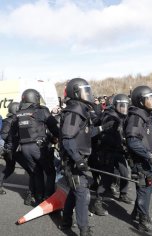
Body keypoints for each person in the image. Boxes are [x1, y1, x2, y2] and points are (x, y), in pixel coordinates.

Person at [59, 78, 110, 236]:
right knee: (82, 193)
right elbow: (67, 139)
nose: (88, 94)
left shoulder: (81, 110)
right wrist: (78, 160)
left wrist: (102, 128)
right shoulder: (74, 112)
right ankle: (84, 230)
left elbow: (85, 134)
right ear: (75, 93)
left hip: (78, 159)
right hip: (73, 161)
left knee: (75, 192)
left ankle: (66, 221)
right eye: (84, 91)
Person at [124, 85, 152, 233]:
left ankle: (137, 214)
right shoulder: (136, 117)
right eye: (149, 99)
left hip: (148, 160)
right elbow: (132, 141)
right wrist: (149, 155)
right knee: (144, 191)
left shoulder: (144, 115)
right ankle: (143, 222)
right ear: (140, 101)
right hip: (142, 162)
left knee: (147, 190)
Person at [90, 94, 133, 216]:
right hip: (107, 151)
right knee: (106, 179)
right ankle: (97, 203)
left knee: (125, 173)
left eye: (125, 106)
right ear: (115, 106)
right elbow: (105, 134)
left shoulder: (120, 116)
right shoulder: (110, 117)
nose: (124, 109)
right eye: (121, 106)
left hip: (118, 150)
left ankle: (123, 194)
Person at [14, 89, 59, 204]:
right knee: (50, 172)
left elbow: (14, 133)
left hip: (24, 148)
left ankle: (38, 198)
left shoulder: (18, 114)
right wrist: (59, 137)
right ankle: (48, 197)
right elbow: (53, 127)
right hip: (38, 147)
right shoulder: (41, 111)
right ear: (35, 98)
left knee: (36, 172)